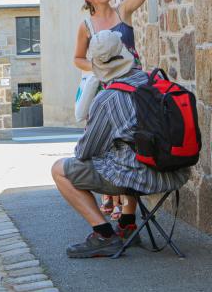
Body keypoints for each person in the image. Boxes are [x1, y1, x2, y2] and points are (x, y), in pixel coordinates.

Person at [52, 30, 189, 258]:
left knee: (59, 169)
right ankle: (127, 224)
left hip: (139, 178)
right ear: (124, 52)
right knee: (130, 148)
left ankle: (104, 235)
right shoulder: (157, 80)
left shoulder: (106, 99)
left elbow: (84, 151)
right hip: (175, 172)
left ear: (97, 64)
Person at [73, 0, 179, 221]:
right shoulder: (86, 27)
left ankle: (129, 217)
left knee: (136, 146)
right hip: (109, 92)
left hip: (137, 88)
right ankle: (112, 199)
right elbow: (78, 59)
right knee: (112, 148)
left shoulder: (123, 12)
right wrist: (97, 70)